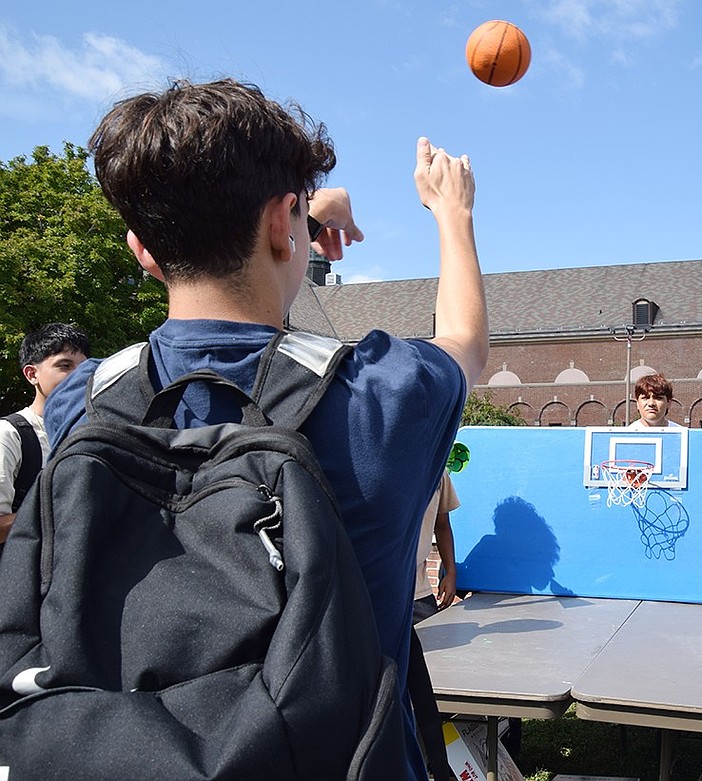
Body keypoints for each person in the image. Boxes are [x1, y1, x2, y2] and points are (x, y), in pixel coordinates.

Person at [43, 79, 488, 781]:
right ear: (284, 224)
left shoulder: (82, 400)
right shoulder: (379, 396)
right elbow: (463, 340)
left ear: (141, 251)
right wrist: (451, 212)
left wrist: (292, 215)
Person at [0, 323, 90, 550]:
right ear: (32, 374)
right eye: (64, 365)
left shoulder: (91, 434)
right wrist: (58, 512)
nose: (79, 375)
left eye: (85, 367)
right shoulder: (11, 434)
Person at [412, 471, 460, 624]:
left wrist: (450, 572)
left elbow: (442, 524)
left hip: (418, 592)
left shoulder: (437, 471)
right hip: (372, 592)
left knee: (433, 643)